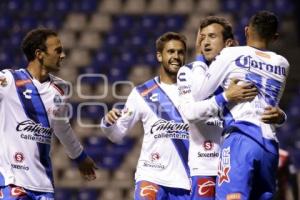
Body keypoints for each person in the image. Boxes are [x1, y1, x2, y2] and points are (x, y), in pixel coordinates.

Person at [100, 32, 256, 200]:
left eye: (180, 52)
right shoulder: (141, 93)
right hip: (152, 177)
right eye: (171, 52)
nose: (176, 56)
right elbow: (116, 135)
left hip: (189, 180)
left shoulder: (201, 89)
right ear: (159, 56)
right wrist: (108, 122)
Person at [177, 16, 286, 200]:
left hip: (237, 148)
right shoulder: (189, 72)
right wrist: (226, 96)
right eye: (202, 37)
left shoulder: (235, 65)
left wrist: (281, 115)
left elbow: (262, 104)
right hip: (207, 164)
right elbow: (189, 112)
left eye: (212, 36)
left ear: (228, 43)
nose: (205, 42)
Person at [0, 28, 97, 199]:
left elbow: (62, 127)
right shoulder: (9, 81)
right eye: (58, 50)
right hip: (12, 180)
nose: (63, 55)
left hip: (43, 185)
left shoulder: (61, 90)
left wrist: (80, 156)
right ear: (39, 54)